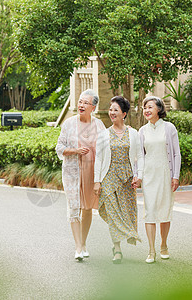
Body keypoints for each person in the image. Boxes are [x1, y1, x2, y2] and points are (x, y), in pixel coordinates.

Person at [56, 89, 106, 261]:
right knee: (74, 207)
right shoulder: (68, 124)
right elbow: (59, 148)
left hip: (92, 173)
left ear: (93, 107)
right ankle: (78, 247)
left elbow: (106, 150)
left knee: (87, 208)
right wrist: (75, 151)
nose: (81, 105)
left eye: (85, 102)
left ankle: (83, 243)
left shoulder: (99, 125)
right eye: (80, 101)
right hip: (72, 172)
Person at [94, 96, 143, 264]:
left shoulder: (134, 134)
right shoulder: (103, 135)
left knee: (127, 212)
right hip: (109, 177)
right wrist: (97, 181)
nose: (112, 113)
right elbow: (98, 159)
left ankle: (128, 234)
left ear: (124, 113)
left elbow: (140, 157)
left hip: (127, 178)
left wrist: (139, 176)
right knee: (114, 214)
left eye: (115, 110)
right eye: (110, 109)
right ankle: (117, 249)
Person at [139, 96, 181, 264]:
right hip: (149, 176)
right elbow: (140, 156)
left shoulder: (169, 128)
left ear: (159, 109)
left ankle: (163, 244)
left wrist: (175, 176)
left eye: (150, 107)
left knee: (164, 212)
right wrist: (139, 175)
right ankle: (151, 250)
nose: (146, 110)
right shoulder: (142, 131)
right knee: (149, 212)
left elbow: (176, 153)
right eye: (144, 108)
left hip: (165, 174)